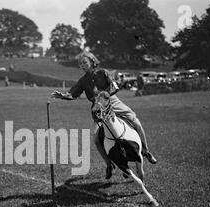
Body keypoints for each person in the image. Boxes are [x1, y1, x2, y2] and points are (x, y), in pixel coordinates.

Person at [51, 51, 157, 180]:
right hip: (97, 109)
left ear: (92, 62)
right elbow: (73, 93)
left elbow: (114, 87)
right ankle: (109, 165)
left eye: (84, 62)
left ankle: (145, 151)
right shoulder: (83, 81)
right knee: (96, 139)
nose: (82, 65)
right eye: (80, 64)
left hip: (113, 102)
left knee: (136, 123)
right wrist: (62, 96)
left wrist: (104, 97)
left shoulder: (103, 73)